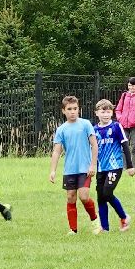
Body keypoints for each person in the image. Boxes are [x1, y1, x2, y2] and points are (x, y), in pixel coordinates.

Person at [49, 95, 99, 234]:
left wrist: (92, 165)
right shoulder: (61, 129)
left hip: (85, 169)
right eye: (69, 109)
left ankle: (95, 220)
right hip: (70, 170)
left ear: (79, 109)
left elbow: (94, 145)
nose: (73, 112)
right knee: (71, 197)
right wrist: (53, 170)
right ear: (63, 111)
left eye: (75, 108)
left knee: (84, 196)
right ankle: (73, 229)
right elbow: (57, 151)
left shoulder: (85, 124)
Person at [92, 99, 133, 233]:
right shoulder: (94, 130)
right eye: (103, 112)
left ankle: (124, 217)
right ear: (96, 113)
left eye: (108, 112)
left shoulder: (116, 127)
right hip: (101, 168)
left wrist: (130, 166)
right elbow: (91, 149)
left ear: (112, 113)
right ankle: (105, 228)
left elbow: (125, 145)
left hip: (115, 166)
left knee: (107, 192)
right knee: (101, 197)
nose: (106, 115)